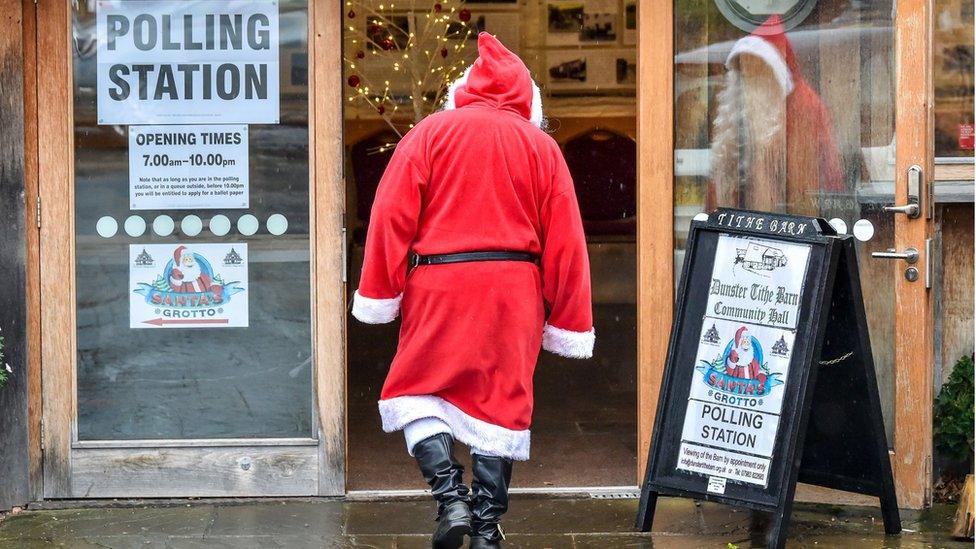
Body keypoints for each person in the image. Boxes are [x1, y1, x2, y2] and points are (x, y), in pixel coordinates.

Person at [351, 33, 594, 549]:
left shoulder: (428, 133)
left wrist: (380, 290)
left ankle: (450, 500)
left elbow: (389, 216)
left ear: (462, 93)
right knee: (501, 404)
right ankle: (486, 527)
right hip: (514, 291)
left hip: (440, 284)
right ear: (529, 101)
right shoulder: (542, 148)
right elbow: (568, 240)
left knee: (413, 390)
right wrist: (568, 318)